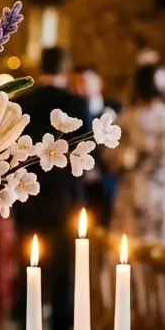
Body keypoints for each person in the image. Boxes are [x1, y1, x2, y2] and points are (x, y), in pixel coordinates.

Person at [14, 47, 89, 330]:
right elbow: (85, 153)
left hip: (27, 196)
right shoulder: (76, 103)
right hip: (62, 201)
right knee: (62, 274)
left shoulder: (23, 102)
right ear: (66, 67)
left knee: (27, 269)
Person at [105, 64, 165, 241]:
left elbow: (112, 162)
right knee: (163, 259)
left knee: (128, 258)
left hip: (133, 196)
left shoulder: (124, 121)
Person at [70, 64, 122, 226]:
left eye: (85, 81)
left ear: (99, 83)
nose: (81, 87)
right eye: (76, 82)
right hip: (78, 184)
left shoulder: (115, 108)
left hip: (106, 181)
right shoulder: (70, 111)